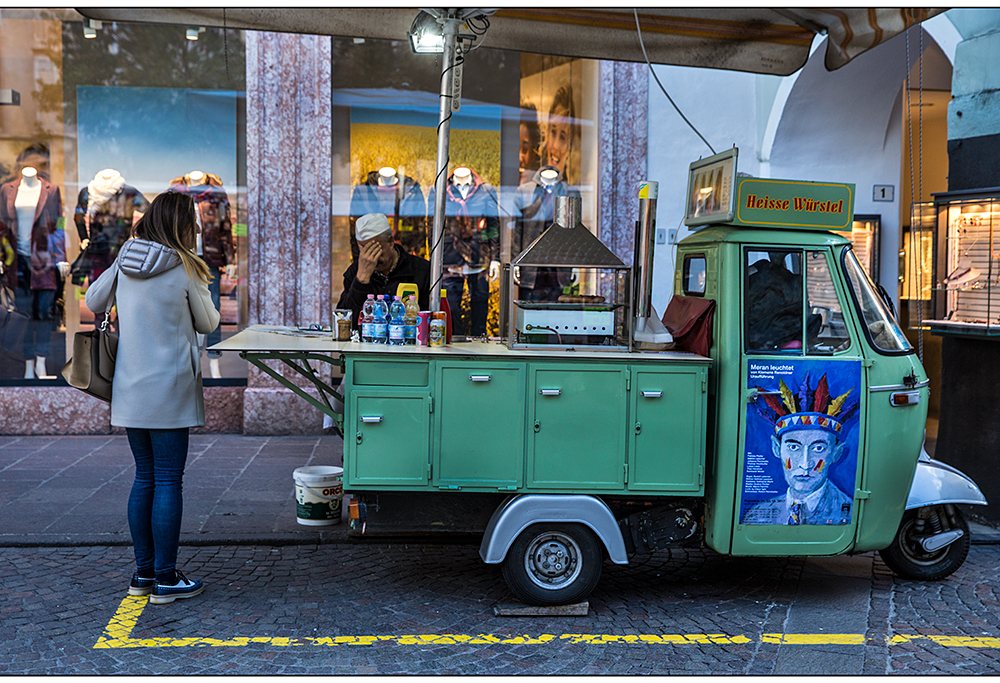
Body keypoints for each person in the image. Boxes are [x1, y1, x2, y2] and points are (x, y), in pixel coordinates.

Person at [85, 191, 220, 605]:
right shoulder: (184, 266)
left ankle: (143, 574)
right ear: (181, 226)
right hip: (171, 389)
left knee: (144, 477)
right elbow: (209, 321)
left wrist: (119, 268)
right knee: (168, 480)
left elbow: (92, 300)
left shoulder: (125, 259)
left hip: (130, 387)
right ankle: (166, 578)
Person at [742, 375, 855, 526]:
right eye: (794, 447)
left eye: (818, 448)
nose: (805, 464)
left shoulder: (849, 513)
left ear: (836, 453)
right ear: (777, 448)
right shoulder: (756, 516)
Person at [337, 212, 430, 328]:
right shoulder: (355, 271)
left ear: (390, 242)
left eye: (374, 250)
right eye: (364, 249)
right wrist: (362, 278)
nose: (370, 258)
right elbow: (344, 322)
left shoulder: (422, 271)